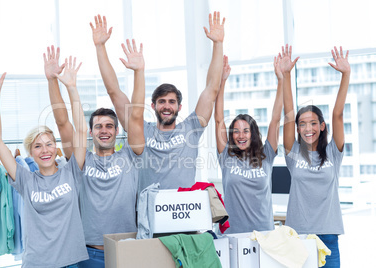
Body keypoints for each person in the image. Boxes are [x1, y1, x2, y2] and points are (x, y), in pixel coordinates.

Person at [91, 13, 225, 192]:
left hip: (183, 211)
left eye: (171, 101)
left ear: (179, 107)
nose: (167, 106)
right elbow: (114, 92)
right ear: (153, 106)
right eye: (162, 101)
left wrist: (218, 44)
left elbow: (211, 90)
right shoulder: (142, 130)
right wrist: (100, 47)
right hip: (150, 214)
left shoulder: (191, 128)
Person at [44, 37, 145, 267]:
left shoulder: (130, 156)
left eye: (109, 126)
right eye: (98, 126)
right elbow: (62, 123)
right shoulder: (81, 160)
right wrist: (52, 80)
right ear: (90, 132)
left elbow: (136, 116)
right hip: (90, 255)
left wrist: (139, 71)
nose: (104, 131)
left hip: (128, 250)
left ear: (117, 130)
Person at [0, 58, 89, 267]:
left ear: (56, 148)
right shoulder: (25, 179)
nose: (45, 150)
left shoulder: (72, 172)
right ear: (30, 152)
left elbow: (82, 131)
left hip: (71, 262)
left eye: (49, 144)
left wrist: (72, 88)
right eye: (38, 146)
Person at [281, 44, 350, 267]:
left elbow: (338, 114)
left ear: (321, 126)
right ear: (297, 129)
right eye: (302, 124)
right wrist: (286, 75)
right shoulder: (293, 154)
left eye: (312, 123)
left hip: (328, 237)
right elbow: (288, 114)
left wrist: (346, 75)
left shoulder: (333, 153)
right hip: (297, 237)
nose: (307, 128)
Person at [214, 54, 283, 233]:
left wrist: (281, 81)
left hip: (263, 233)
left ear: (253, 134)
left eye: (246, 130)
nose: (241, 135)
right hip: (232, 234)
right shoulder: (226, 156)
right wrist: (222, 82)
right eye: (236, 131)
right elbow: (219, 119)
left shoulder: (266, 155)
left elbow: (275, 120)